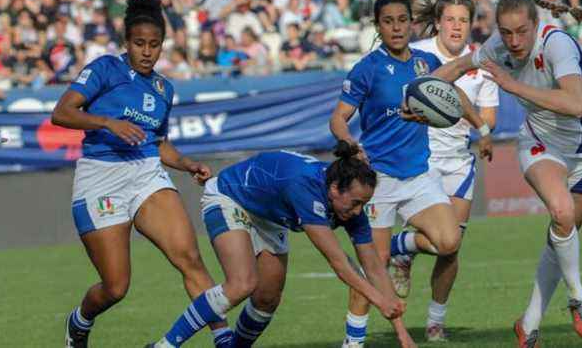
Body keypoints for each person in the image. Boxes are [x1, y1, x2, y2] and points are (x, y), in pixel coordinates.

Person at [430, 0, 582, 347]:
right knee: (562, 212)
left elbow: (574, 104)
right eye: (505, 32)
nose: (513, 41)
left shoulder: (557, 44)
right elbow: (458, 67)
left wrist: (513, 86)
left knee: (562, 234)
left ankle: (529, 325)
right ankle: (578, 297)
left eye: (521, 32)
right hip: (540, 143)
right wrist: (415, 91)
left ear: (535, 23)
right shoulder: (497, 47)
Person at [52, 0, 231, 348]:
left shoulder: (164, 89)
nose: (147, 52)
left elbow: (158, 142)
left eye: (154, 45)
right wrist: (107, 123)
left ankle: (225, 340)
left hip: (146, 173)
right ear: (126, 42)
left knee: (190, 258)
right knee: (116, 287)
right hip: (101, 176)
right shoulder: (105, 69)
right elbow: (61, 113)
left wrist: (185, 163)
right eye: (139, 44)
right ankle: (80, 321)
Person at [329, 0, 493, 348]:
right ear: (378, 26)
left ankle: (404, 247)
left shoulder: (423, 63)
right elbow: (339, 118)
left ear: (410, 23)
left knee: (450, 241)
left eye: (402, 20)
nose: (397, 27)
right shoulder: (367, 68)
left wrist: (479, 126)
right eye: (388, 21)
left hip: (420, 176)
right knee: (375, 266)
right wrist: (351, 145)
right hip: (379, 181)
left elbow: (452, 92)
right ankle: (352, 342)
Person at [146, 143, 406, 347]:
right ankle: (164, 345)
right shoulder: (305, 187)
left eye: (364, 203)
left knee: (268, 298)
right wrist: (380, 301)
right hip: (230, 197)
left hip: (270, 216)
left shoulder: (348, 204)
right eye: (356, 202)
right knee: (242, 283)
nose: (359, 210)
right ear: (335, 188)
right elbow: (339, 262)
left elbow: (373, 265)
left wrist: (402, 335)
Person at [392, 0, 499, 342]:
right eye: (450, 19)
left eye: (463, 20)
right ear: (437, 23)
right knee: (443, 240)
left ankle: (435, 319)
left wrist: (469, 121)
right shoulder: (418, 54)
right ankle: (400, 249)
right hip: (418, 162)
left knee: (450, 249)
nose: (456, 26)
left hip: (458, 164)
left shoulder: (481, 64)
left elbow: (489, 117)